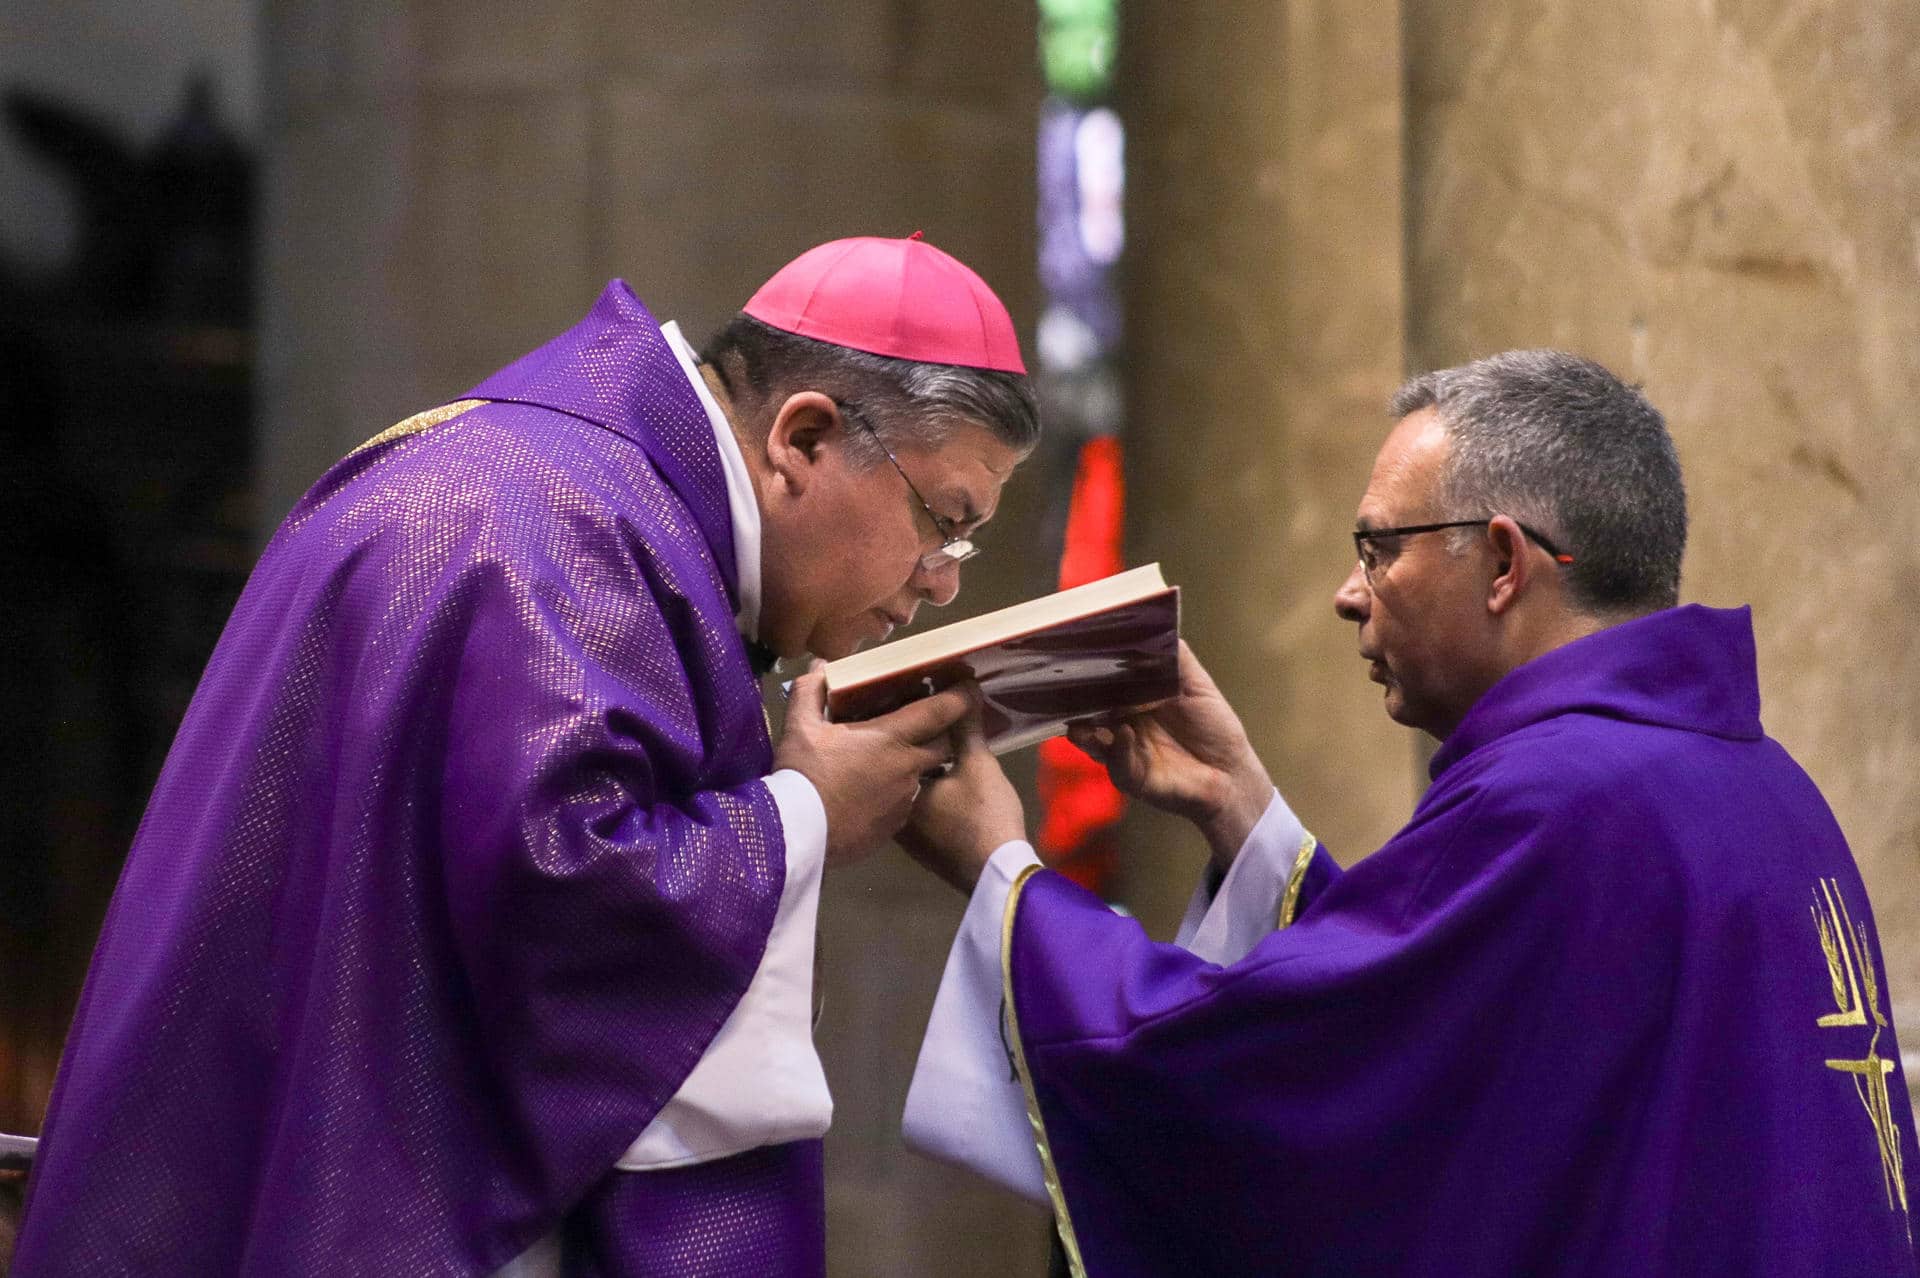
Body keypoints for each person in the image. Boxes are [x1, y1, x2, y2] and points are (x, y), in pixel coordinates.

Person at [13, 234, 1038, 1276]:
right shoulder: (564, 531)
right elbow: (552, 890)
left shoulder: (555, 488)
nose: (941, 582)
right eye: (944, 523)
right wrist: (807, 812)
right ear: (804, 439)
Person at [898, 350, 1919, 1276]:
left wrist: (1007, 880)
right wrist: (1242, 809)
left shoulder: (1560, 798)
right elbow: (1444, 1033)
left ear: (1506, 563)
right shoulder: (1758, 784)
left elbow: (1288, 1095)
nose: (1351, 593)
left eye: (1379, 547)